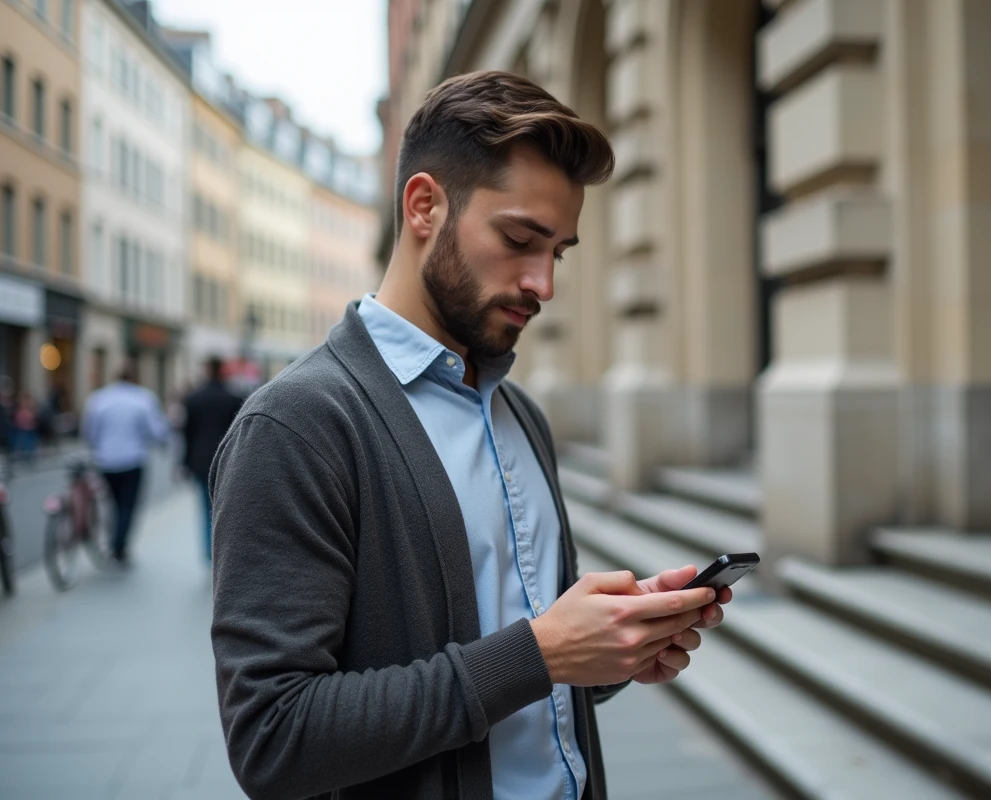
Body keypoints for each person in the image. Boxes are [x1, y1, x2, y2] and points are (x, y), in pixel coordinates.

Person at [210, 71, 733, 800]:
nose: (543, 284)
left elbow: (529, 675)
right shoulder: (297, 426)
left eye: (560, 252)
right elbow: (275, 738)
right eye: (520, 239)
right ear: (424, 205)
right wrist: (542, 654)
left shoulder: (520, 416)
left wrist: (606, 647)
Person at [81, 363, 170, 564]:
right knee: (128, 504)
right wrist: (161, 442)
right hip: (132, 459)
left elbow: (89, 432)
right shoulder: (143, 398)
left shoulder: (99, 398)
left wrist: (98, 448)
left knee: (112, 503)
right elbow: (156, 431)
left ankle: (116, 540)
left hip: (106, 460)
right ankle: (119, 545)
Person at [180, 357, 241, 563]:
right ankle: (219, 550)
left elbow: (187, 434)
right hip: (227, 459)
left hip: (200, 458)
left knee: (204, 507)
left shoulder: (195, 398)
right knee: (223, 508)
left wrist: (184, 463)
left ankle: (210, 551)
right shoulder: (233, 397)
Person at [11, 391, 39, 465]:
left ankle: (29, 455)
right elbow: (18, 419)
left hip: (30, 428)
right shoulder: (21, 410)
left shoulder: (30, 408)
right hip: (23, 429)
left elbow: (34, 417)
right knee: (24, 442)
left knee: (30, 443)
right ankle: (25, 455)